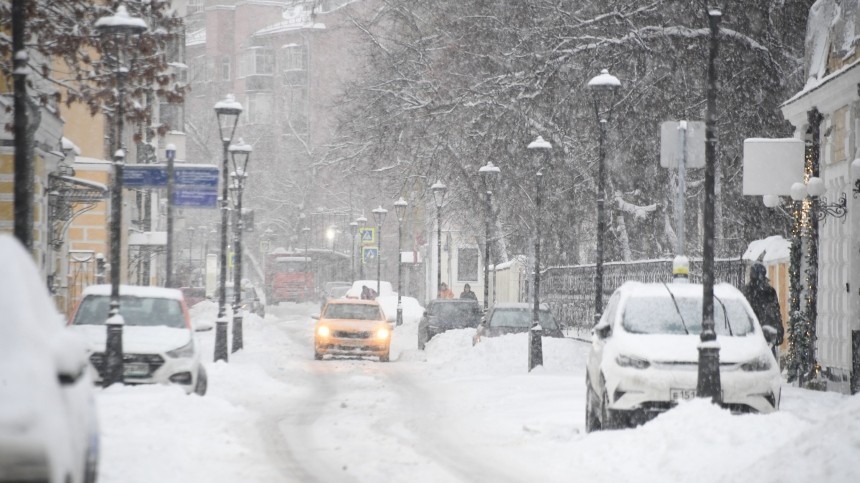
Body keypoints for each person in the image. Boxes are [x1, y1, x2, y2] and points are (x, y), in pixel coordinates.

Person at [743, 263, 784, 353]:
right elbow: (776, 312)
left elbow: (742, 314)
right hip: (767, 333)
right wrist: (779, 331)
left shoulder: (747, 291)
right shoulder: (769, 291)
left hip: (752, 334)